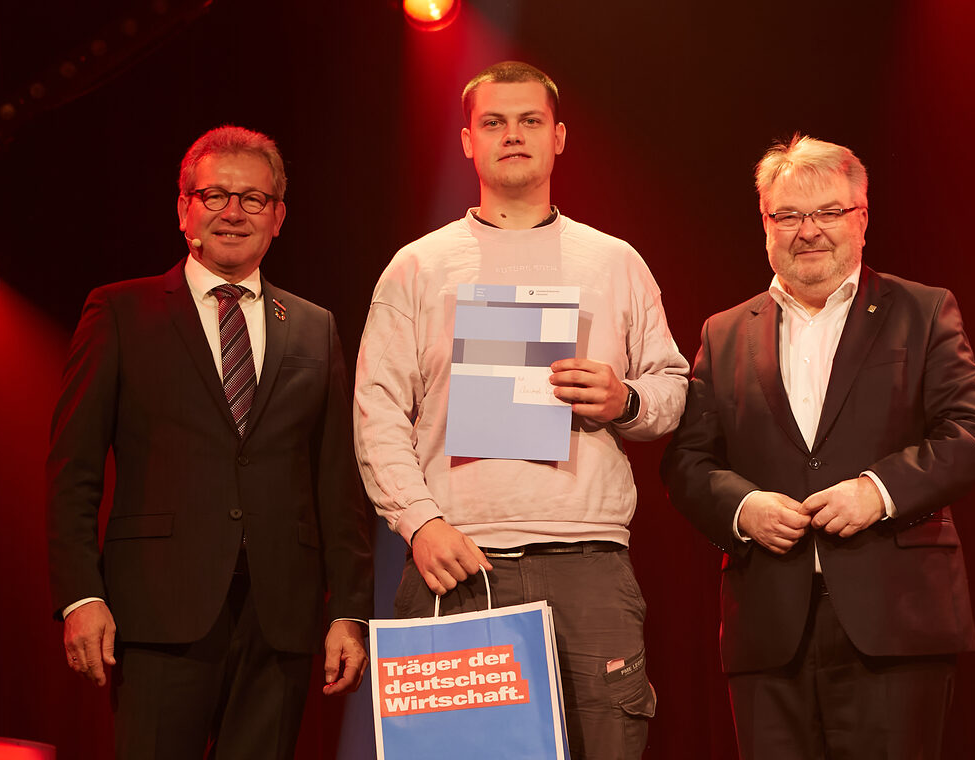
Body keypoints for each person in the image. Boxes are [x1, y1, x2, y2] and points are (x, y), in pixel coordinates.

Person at [353, 61, 689, 758]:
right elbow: (376, 413)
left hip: (588, 560)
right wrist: (419, 523)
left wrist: (624, 399)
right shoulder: (417, 267)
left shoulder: (614, 261)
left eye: (530, 120)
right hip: (457, 559)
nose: (513, 135)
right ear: (467, 141)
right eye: (494, 122)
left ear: (558, 137)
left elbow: (672, 386)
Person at [660, 134, 975, 758]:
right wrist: (744, 508)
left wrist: (879, 491)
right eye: (789, 215)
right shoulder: (725, 331)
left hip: (896, 619)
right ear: (766, 225)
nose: (808, 230)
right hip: (769, 628)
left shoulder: (922, 310)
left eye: (828, 212)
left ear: (862, 218)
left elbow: (973, 432)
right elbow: (688, 462)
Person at [45, 125, 374, 759]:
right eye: (215, 195)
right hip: (156, 612)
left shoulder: (314, 326)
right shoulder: (119, 312)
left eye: (253, 199)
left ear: (278, 217)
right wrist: (80, 595)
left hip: (281, 617)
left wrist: (349, 610)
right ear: (184, 209)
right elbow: (72, 470)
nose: (233, 212)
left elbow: (336, 479)